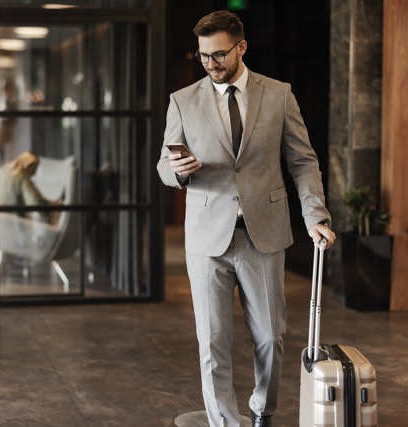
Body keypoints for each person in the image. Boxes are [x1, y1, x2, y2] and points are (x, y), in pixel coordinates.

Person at [156, 11, 336, 427]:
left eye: (219, 54)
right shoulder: (182, 100)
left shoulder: (278, 94)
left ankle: (261, 410)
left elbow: (303, 161)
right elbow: (165, 166)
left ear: (241, 47)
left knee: (271, 339)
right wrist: (178, 172)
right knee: (212, 342)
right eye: (203, 56)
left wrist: (315, 216)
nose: (210, 64)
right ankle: (224, 422)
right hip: (206, 237)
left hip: (264, 234)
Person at [0, 151, 56, 275]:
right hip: (12, 223)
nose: (35, 173)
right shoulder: (21, 176)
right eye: (35, 168)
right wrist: (53, 207)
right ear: (30, 165)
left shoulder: (3, 170)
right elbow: (35, 201)